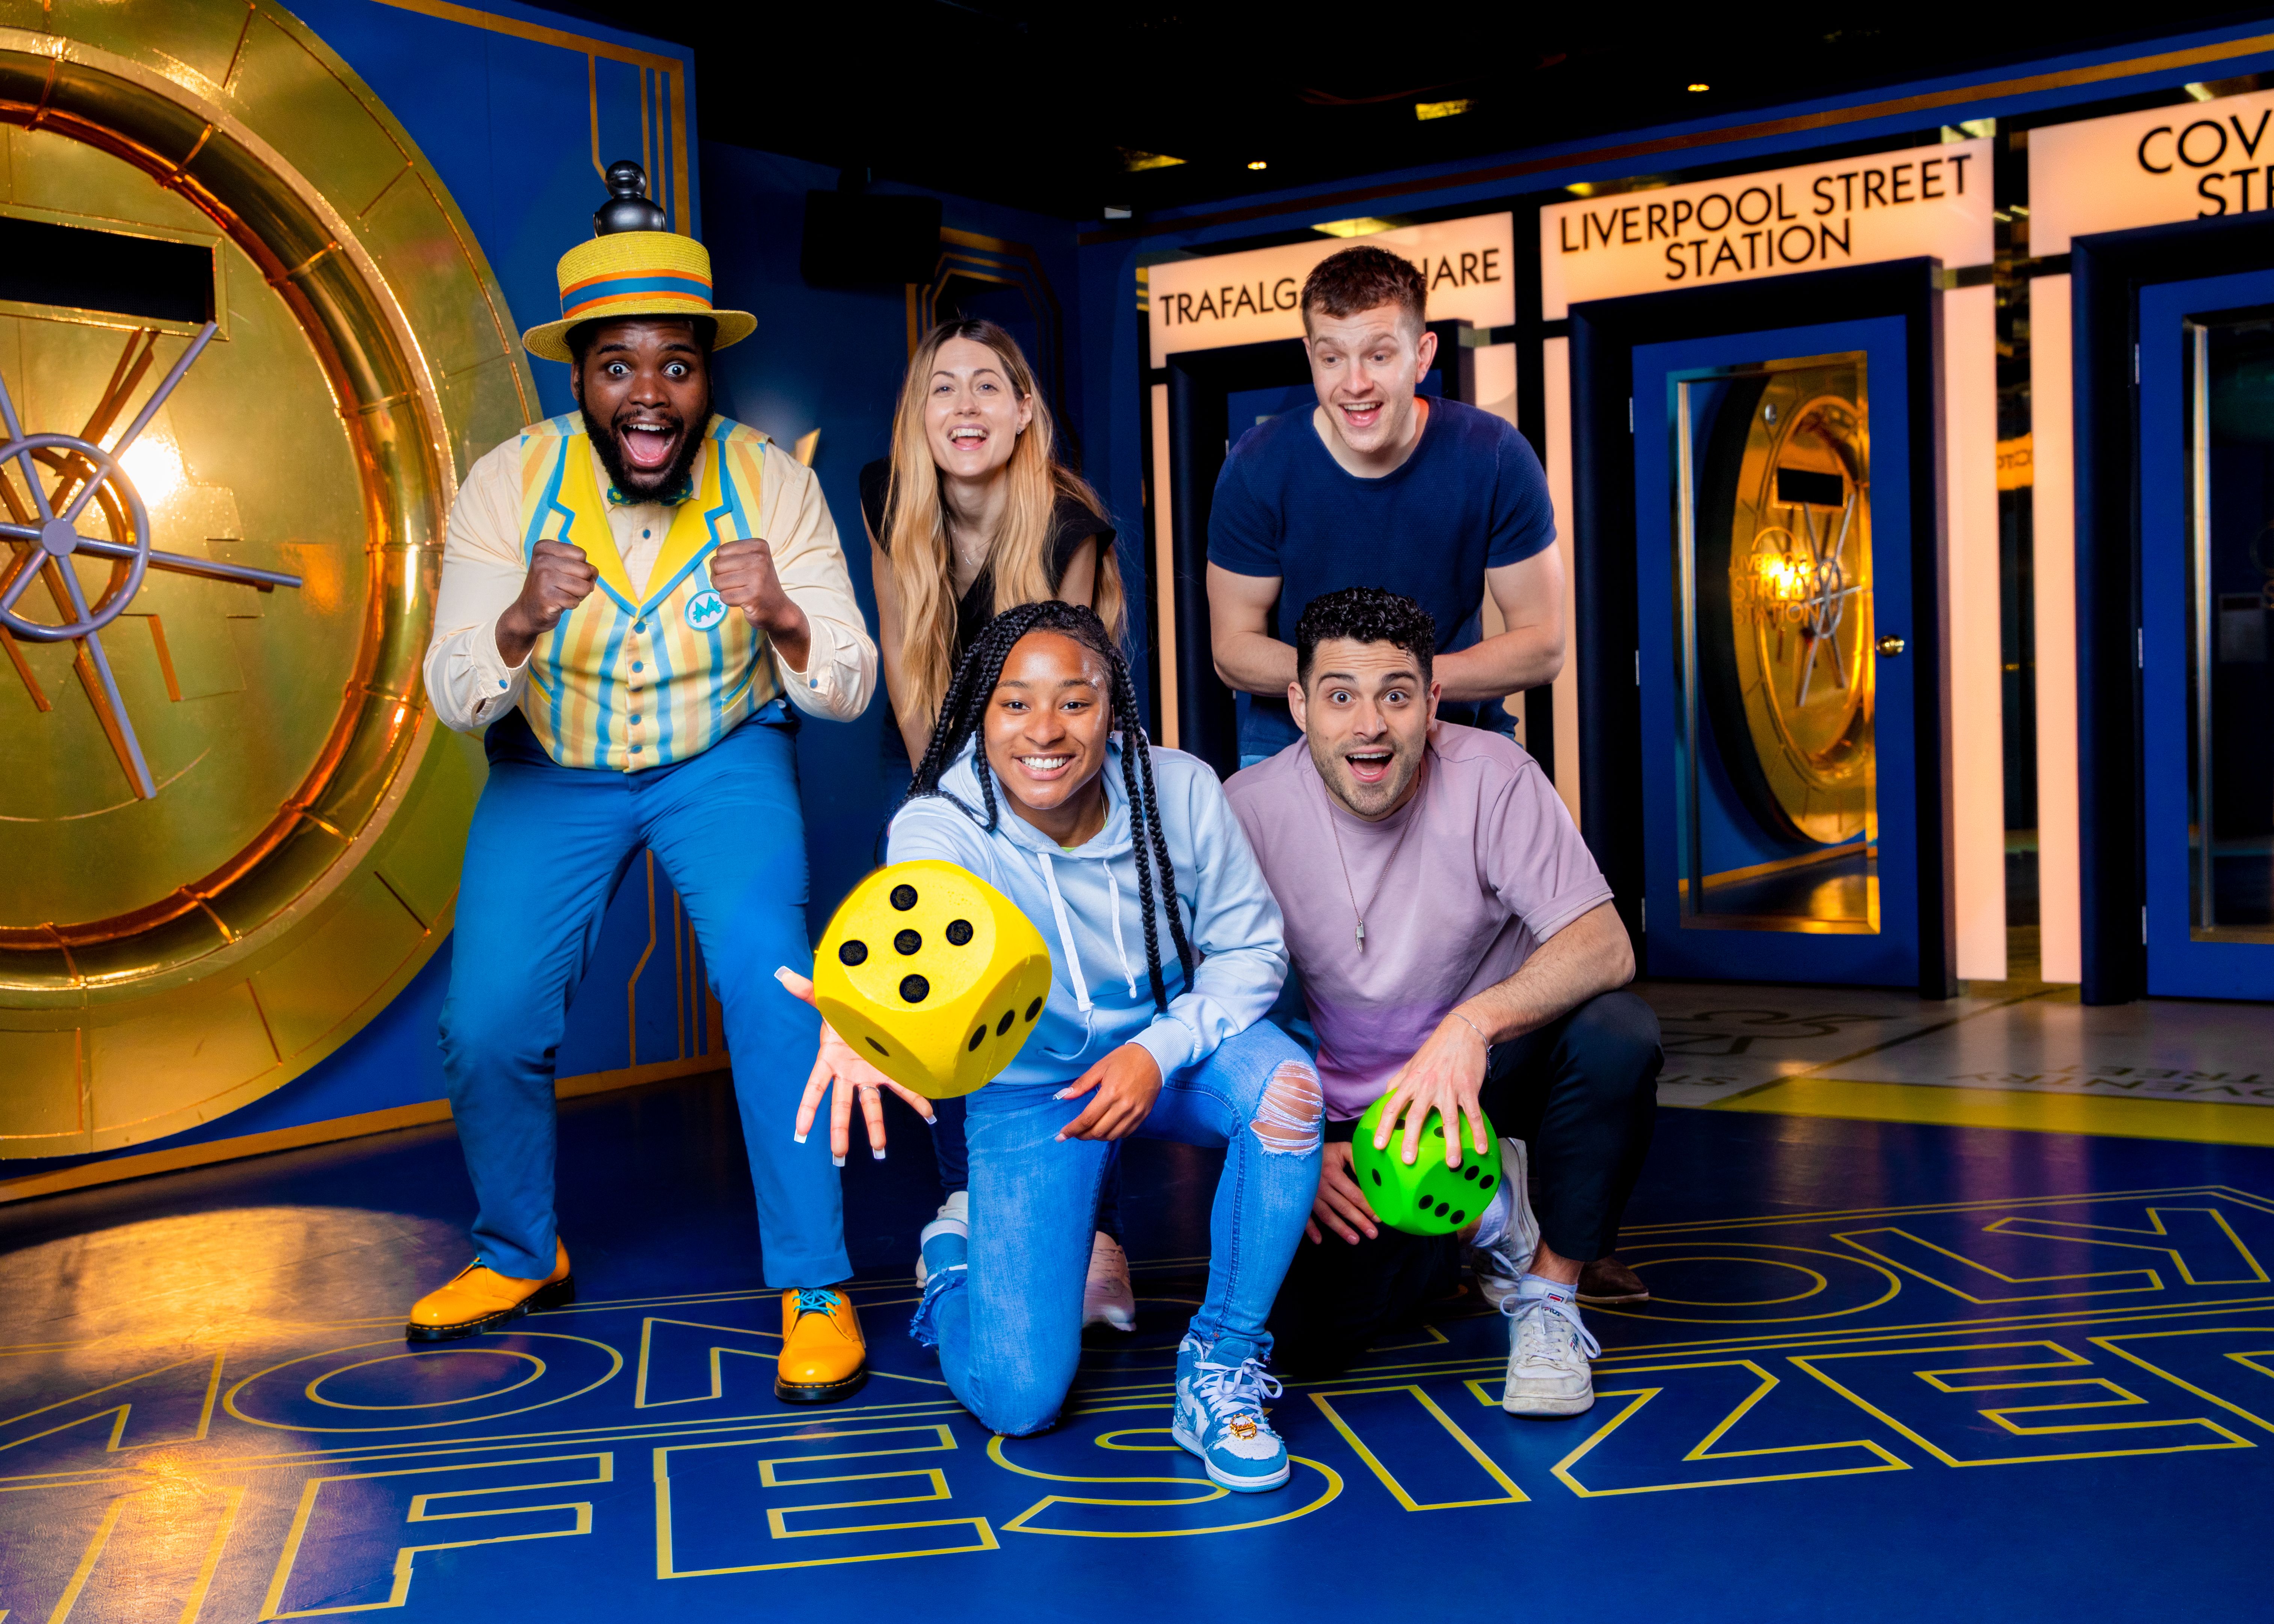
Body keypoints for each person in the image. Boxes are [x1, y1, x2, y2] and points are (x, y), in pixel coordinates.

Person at [414, 174, 882, 1405]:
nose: (648, 394)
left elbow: (847, 685)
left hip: (720, 757)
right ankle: (521, 1249)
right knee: (490, 1022)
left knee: (774, 986)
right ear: (578, 374)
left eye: (675, 365)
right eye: (618, 365)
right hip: (550, 767)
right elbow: (452, 695)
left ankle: (816, 1284)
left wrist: (779, 607)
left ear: (703, 378)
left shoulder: (773, 481)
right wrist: (518, 616)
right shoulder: (504, 484)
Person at [785, 601, 1323, 1490]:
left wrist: (1160, 1047)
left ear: (1112, 708)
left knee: (1288, 1089)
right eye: (1014, 703)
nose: (1045, 730)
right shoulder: (942, 822)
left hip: (1171, 1059)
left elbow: (1252, 948)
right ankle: (956, 1264)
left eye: (1074, 702)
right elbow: (905, 918)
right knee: (1020, 1399)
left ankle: (1220, 1365)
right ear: (979, 712)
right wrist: (851, 1016)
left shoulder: (1179, 789)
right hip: (1037, 1091)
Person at [1225, 588, 1661, 1416]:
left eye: (1395, 693)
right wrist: (1292, 1139)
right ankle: (1487, 1211)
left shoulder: (1493, 776)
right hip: (1357, 1114)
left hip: (1484, 1071)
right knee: (1309, 1335)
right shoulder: (1245, 809)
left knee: (1617, 1032)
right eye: (1340, 695)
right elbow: (1214, 1005)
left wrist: (1473, 1023)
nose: (1370, 725)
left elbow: (1606, 944)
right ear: (1298, 705)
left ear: (1432, 701)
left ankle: (1550, 1296)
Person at [861, 319, 1134, 1331]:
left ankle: (1097, 1234)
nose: (965, 407)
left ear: (1025, 413)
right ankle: (969, 1210)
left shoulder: (1067, 527)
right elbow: (903, 658)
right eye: (942, 388)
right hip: (944, 757)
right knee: (945, 993)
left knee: (1071, 999)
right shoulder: (888, 496)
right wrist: (942, 810)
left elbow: (1059, 697)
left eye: (989, 387)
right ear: (917, 415)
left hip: (1064, 758)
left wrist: (1011, 830)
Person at [1206, 243, 1563, 770]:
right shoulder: (1255, 466)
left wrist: (1402, 683)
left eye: (1378, 355)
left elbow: (1542, 644)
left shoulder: (1493, 455)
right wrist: (1353, 688)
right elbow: (1233, 648)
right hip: (1292, 742)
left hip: (1453, 730)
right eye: (1332, 359)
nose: (1355, 385)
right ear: (1310, 356)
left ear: (1422, 355)